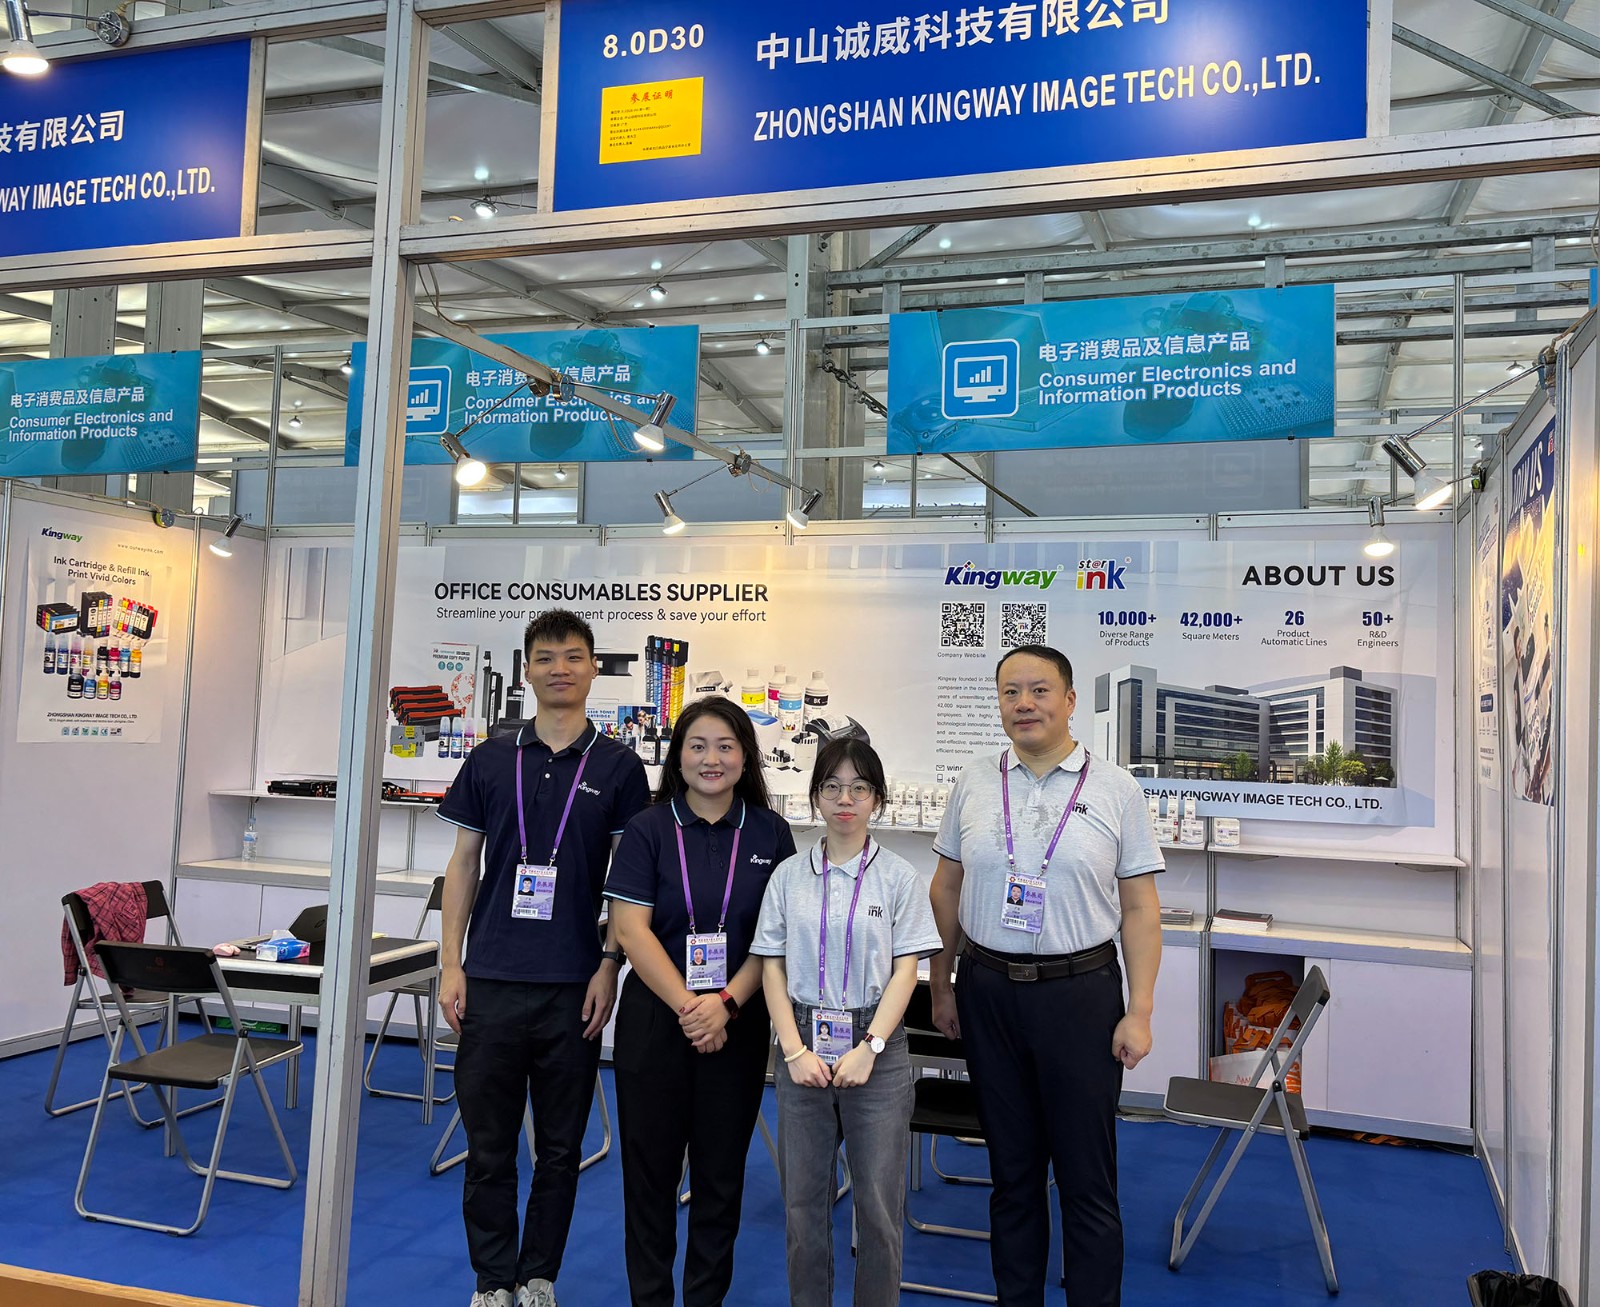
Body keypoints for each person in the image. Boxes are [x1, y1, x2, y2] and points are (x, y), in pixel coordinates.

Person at [928, 644, 1163, 1307]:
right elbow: (946, 888)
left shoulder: (1116, 788)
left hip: (1079, 995)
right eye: (1011, 692)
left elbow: (1141, 909)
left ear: (1069, 700)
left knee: (1087, 1179)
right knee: (1012, 1173)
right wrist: (942, 983)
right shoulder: (975, 780)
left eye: (1039, 690)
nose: (1024, 703)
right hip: (988, 990)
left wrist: (1140, 1009)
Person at [437, 609, 651, 1307]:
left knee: (560, 1148)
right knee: (489, 1145)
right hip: (491, 978)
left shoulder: (619, 767)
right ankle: (492, 1280)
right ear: (527, 669)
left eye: (574, 655)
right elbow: (464, 863)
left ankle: (538, 1276)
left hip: (572, 984)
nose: (561, 667)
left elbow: (629, 882)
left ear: (593, 668)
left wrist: (609, 964)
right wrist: (450, 962)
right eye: (547, 656)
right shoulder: (491, 758)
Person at [605, 696, 797, 1307]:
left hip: (738, 1025)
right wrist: (693, 1006)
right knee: (650, 1177)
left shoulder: (770, 832)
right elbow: (630, 929)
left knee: (721, 1177)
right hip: (656, 1022)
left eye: (725, 746)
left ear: (745, 756)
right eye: (697, 746)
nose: (711, 759)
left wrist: (727, 1005)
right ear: (677, 756)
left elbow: (776, 936)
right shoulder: (648, 828)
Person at [753, 737, 941, 1307]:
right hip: (802, 1043)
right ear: (815, 796)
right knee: (802, 1206)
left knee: (879, 1209)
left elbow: (907, 970)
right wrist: (792, 1051)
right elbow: (771, 966)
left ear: (877, 799)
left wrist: (871, 1046)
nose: (845, 799)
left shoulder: (899, 878)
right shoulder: (789, 876)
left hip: (876, 1048)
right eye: (832, 786)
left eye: (859, 788)